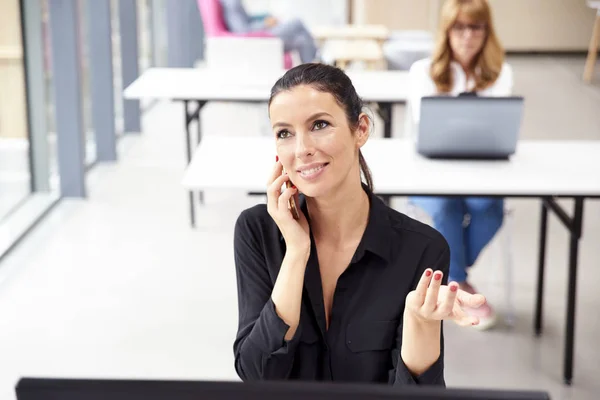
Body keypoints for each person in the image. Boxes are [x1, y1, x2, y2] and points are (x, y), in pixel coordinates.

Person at [232, 63, 488, 384]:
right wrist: (297, 252)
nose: (301, 150)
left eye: (320, 125)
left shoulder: (422, 249)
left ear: (361, 129)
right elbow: (255, 374)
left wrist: (420, 322)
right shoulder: (257, 230)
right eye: (285, 133)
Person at [407, 0, 513, 330]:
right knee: (445, 207)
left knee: (489, 209)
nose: (467, 36)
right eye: (459, 27)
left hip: (483, 171)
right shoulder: (423, 72)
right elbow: (425, 126)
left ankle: (451, 277)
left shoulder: (500, 73)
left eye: (476, 27)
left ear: (486, 31)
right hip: (432, 172)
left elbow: (498, 130)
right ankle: (459, 285)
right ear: (447, 31)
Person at [219, 0, 318, 64]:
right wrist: (265, 24)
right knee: (297, 22)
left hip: (258, 32)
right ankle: (317, 59)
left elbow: (247, 20)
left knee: (302, 39)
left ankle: (312, 69)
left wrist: (265, 18)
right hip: (255, 36)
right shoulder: (231, 2)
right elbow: (242, 31)